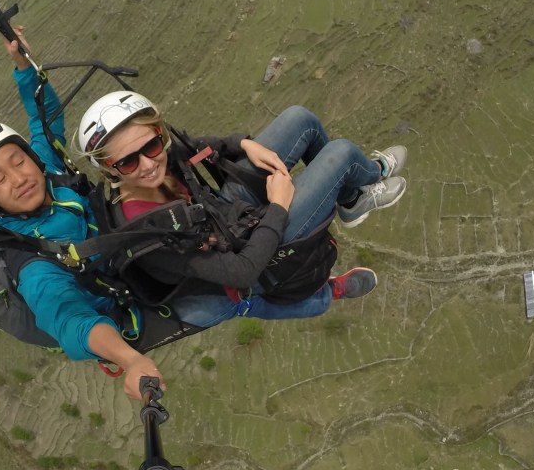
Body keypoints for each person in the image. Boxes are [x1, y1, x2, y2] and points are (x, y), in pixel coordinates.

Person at [0, 31, 171, 399]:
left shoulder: (45, 170)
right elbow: (68, 319)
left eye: (18, 160)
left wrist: (23, 66)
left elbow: (44, 121)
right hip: (130, 295)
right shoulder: (30, 260)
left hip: (124, 237)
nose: (19, 178)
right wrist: (130, 361)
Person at [76, 91, 407, 329]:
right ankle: (371, 175)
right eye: (127, 161)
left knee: (300, 119)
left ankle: (352, 199)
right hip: (243, 261)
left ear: (158, 133)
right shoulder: (148, 233)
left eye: (151, 145)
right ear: (107, 168)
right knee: (342, 154)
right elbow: (242, 272)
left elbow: (199, 146)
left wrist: (242, 143)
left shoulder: (157, 157)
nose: (148, 164)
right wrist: (278, 205)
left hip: (227, 218)